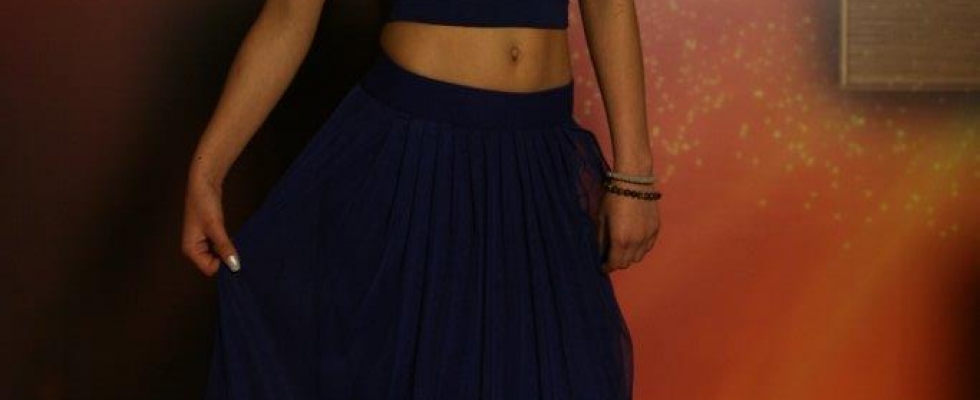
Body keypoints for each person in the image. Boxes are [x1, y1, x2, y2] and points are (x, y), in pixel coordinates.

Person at [181, 0, 661, 398]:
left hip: (538, 161)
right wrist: (208, 171)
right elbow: (289, 16)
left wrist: (635, 174)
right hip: (415, 154)